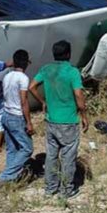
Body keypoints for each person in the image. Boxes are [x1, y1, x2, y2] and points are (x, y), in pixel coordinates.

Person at [29, 40, 88, 199]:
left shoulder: (46, 69)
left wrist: (43, 102)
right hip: (68, 120)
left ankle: (50, 188)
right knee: (68, 156)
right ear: (68, 54)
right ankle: (66, 190)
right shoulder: (72, 72)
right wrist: (84, 115)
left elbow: (31, 86)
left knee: (52, 155)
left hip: (51, 120)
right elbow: (78, 95)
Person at [0, 49, 35, 183]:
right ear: (26, 63)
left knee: (11, 148)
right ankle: (5, 176)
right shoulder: (23, 78)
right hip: (16, 116)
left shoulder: (7, 75)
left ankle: (11, 179)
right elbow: (23, 101)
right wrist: (29, 122)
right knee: (27, 148)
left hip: (6, 114)